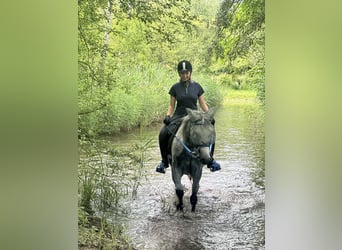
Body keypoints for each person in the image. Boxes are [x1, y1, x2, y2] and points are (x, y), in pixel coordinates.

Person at [156, 60, 221, 173]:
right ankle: (164, 162)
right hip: (179, 116)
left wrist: (209, 115)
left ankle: (210, 160)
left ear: (190, 73)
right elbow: (171, 105)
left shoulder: (197, 87)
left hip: (194, 117)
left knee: (210, 132)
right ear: (179, 74)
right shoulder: (175, 88)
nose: (185, 75)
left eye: (187, 73)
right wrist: (168, 116)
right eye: (182, 73)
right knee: (162, 133)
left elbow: (202, 103)